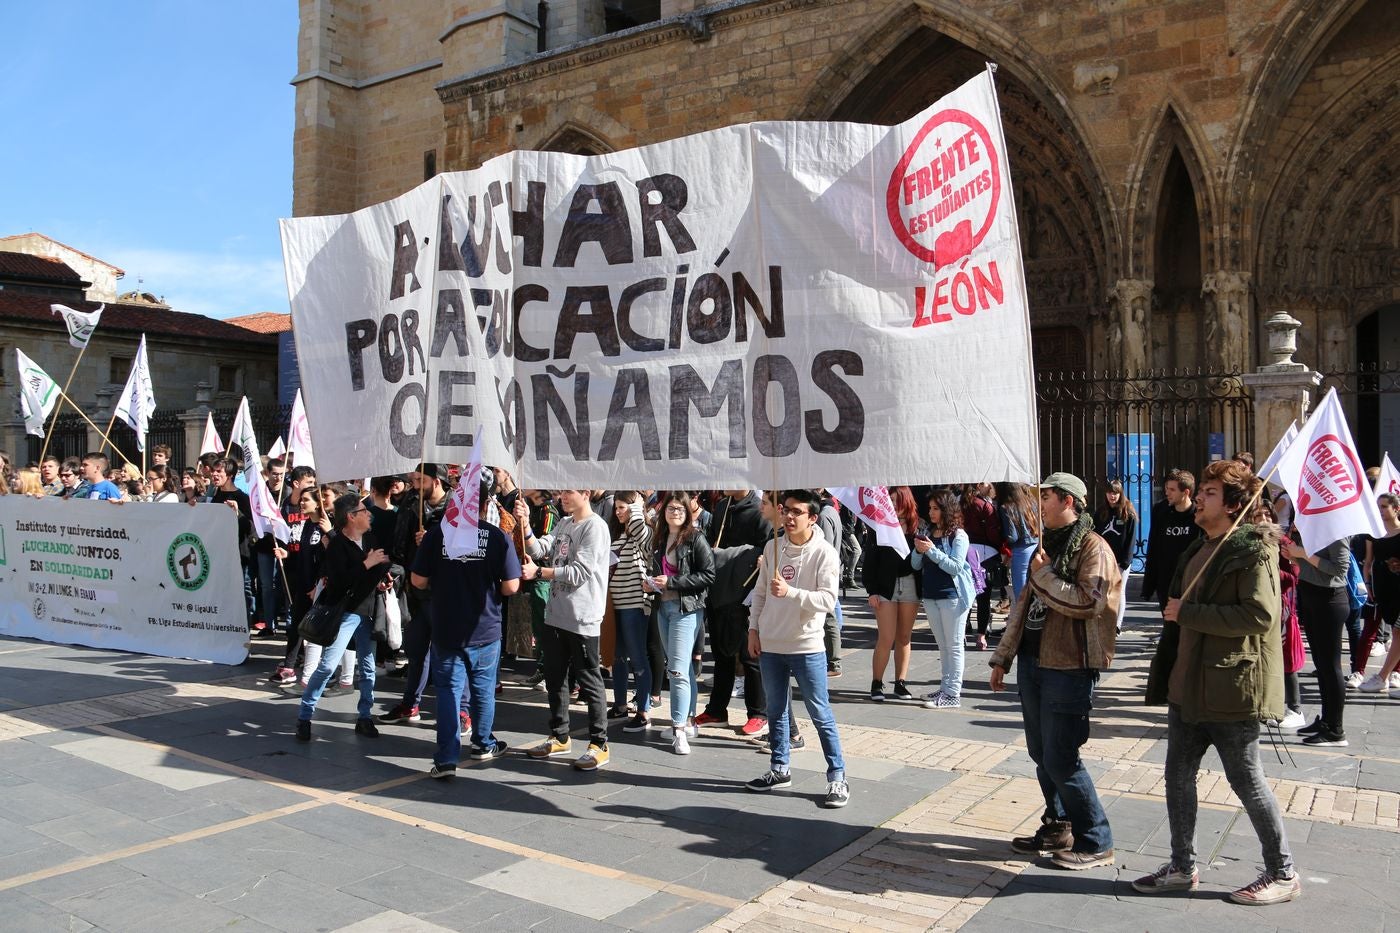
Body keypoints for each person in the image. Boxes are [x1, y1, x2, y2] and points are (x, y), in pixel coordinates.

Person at [1139, 459, 1300, 905]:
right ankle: (1181, 866)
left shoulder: (1252, 550)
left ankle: (1283, 872)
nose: (1199, 499)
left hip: (1232, 687)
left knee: (1246, 780)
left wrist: (1187, 612)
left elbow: (1260, 615)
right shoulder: (1201, 546)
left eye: (1209, 493)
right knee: (1177, 777)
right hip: (1188, 683)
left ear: (1232, 505)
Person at [990, 472, 1120, 870]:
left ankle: (1097, 839)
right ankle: (1059, 823)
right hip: (1034, 662)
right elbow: (1024, 607)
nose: (1038, 504)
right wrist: (1003, 656)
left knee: (1062, 757)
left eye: (1044, 497)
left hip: (1069, 665)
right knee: (1040, 752)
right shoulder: (1044, 547)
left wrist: (1044, 575)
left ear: (1067, 501)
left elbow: (1088, 603)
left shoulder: (1093, 548)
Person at [411, 478, 522, 776]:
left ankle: (447, 758)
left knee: (448, 692)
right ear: (486, 504)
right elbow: (512, 586)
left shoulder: (437, 536)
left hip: (447, 628)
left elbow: (417, 580)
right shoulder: (498, 537)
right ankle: (483, 743)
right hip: (485, 628)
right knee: (483, 690)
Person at [746, 489, 849, 808]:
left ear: (813, 518)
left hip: (806, 646)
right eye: (785, 510)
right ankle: (779, 769)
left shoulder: (824, 553)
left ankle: (837, 777)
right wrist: (753, 628)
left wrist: (791, 592)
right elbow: (760, 593)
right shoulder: (772, 546)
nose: (789, 516)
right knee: (776, 711)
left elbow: (827, 601)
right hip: (771, 644)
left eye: (797, 512)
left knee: (820, 712)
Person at [518, 488, 612, 770]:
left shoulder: (595, 527)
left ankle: (599, 744)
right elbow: (540, 548)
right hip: (556, 615)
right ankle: (560, 735)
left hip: (583, 617)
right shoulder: (564, 522)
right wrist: (525, 527)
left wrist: (540, 573)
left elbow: (579, 572)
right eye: (560, 493)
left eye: (568, 492)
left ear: (585, 492)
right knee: (556, 677)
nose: (562, 497)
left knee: (589, 678)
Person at [295, 494, 391, 741]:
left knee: (368, 669)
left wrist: (381, 578)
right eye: (363, 511)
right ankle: (305, 715)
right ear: (351, 516)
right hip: (346, 612)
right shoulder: (337, 544)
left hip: (369, 611)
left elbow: (382, 565)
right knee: (328, 665)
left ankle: (365, 716)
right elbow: (339, 583)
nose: (368, 514)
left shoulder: (370, 537)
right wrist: (366, 565)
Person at [698, 489, 773, 735]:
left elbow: (767, 547)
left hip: (746, 590)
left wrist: (761, 560)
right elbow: (711, 544)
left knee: (749, 655)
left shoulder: (759, 510)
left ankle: (758, 713)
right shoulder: (722, 506)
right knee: (721, 653)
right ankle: (717, 710)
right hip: (720, 587)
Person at [380, 465, 450, 724]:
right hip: (413, 588)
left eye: (421, 480)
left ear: (438, 481)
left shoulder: (456, 505)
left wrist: (433, 540)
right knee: (416, 650)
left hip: (442, 592)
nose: (416, 484)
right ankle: (411, 704)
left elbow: (464, 546)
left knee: (448, 654)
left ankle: (461, 711)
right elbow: (398, 541)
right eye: (413, 480)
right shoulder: (411, 501)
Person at [648, 491, 716, 754]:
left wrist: (673, 583)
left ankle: (678, 730)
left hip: (686, 610)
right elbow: (658, 572)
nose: (674, 512)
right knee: (683, 666)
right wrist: (651, 583)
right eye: (670, 508)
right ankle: (688, 720)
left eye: (680, 509)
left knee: (675, 670)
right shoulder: (661, 537)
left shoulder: (696, 538)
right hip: (662, 606)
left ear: (688, 512)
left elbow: (709, 575)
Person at [1285, 530, 1352, 746]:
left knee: (1331, 667)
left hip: (1329, 601)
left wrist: (1303, 554)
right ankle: (1326, 720)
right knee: (1322, 667)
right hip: (1311, 595)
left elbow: (1340, 570)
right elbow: (1308, 565)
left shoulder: (1337, 530)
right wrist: (1293, 556)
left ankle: (1335, 729)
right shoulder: (1312, 526)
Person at [911, 489, 976, 708]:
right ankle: (945, 687)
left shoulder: (958, 535)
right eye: (930, 508)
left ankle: (952, 694)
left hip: (953, 596)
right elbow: (915, 565)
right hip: (931, 595)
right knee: (942, 645)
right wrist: (919, 550)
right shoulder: (929, 531)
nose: (931, 513)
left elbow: (956, 566)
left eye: (936, 509)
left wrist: (931, 551)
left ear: (946, 509)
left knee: (954, 645)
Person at [864, 486, 921, 702]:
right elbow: (871, 560)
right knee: (886, 637)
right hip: (885, 586)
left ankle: (900, 683)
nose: (893, 506)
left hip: (910, 584)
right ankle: (876, 683)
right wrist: (872, 591)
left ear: (906, 501)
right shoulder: (879, 526)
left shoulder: (917, 525)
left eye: (897, 501)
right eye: (890, 501)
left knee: (904, 637)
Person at [608, 491, 654, 730]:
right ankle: (620, 705)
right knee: (617, 658)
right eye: (616, 507)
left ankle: (644, 711)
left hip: (634, 604)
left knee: (637, 657)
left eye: (623, 507)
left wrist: (636, 503)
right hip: (614, 604)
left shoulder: (643, 534)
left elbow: (639, 527)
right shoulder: (616, 535)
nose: (618, 512)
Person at [1141, 469, 1201, 613]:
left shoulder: (1198, 514)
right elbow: (1153, 547)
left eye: (1172, 490)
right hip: (1166, 581)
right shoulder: (1161, 511)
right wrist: (1148, 586)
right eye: (1167, 488)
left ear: (1186, 492)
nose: (1167, 493)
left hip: (1190, 580)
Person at [1359, 493, 1400, 694]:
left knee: (1398, 633)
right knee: (1396, 632)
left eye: (1384, 506)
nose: (1381, 510)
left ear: (1395, 508)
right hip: (1383, 587)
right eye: (1379, 506)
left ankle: (1383, 676)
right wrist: (1367, 584)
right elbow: (1368, 562)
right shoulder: (1374, 532)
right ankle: (1385, 675)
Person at [1095, 479, 1138, 633]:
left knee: (1119, 591)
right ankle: (1103, 621)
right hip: (1104, 560)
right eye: (1109, 492)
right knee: (1102, 590)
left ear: (1120, 494)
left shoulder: (1128, 513)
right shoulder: (1100, 512)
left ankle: (1117, 625)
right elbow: (1094, 535)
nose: (1112, 496)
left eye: (1115, 493)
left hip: (1120, 561)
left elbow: (1131, 539)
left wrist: (1125, 562)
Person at [997, 482, 1041, 604]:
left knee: (1021, 593)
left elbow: (1013, 537)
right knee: (1035, 587)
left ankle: (1021, 620)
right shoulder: (1031, 502)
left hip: (1021, 550)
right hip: (1036, 545)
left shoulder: (1006, 507)